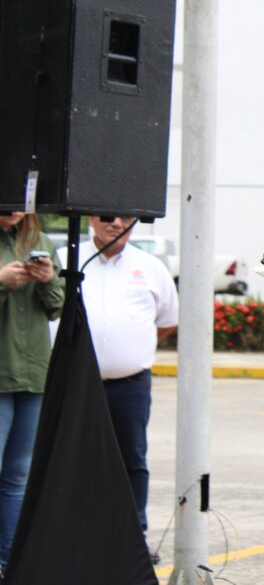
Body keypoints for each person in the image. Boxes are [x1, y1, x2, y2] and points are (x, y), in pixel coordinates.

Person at [58, 216, 178, 562]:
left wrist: (130, 350)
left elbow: (167, 321)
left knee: (132, 458)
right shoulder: (68, 259)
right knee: (73, 457)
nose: (117, 224)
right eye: (108, 217)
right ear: (92, 218)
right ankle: (74, 534)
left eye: (126, 218)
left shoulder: (150, 267)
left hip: (130, 384)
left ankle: (133, 535)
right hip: (77, 383)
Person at [0, 212, 63, 571]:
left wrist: (48, 279)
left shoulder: (41, 243)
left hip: (33, 372)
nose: (13, 208)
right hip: (1, 373)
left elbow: (57, 307)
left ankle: (9, 562)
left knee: (17, 476)